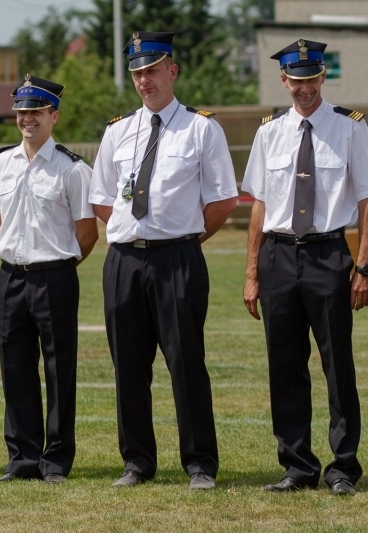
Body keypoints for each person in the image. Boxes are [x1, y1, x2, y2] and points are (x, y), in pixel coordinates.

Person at [88, 31, 238, 490]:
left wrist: (182, 236)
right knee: (128, 366)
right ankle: (136, 462)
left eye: (152, 70)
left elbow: (223, 201)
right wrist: (135, 232)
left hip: (177, 259)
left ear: (172, 71)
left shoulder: (201, 128)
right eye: (137, 72)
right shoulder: (117, 131)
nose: (144, 80)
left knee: (186, 363)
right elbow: (102, 199)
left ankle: (200, 464)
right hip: (124, 261)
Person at [241, 39, 368, 496]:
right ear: (283, 80)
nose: (304, 88)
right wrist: (252, 272)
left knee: (336, 365)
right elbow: (260, 206)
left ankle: (343, 467)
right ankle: (297, 466)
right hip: (278, 256)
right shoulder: (269, 132)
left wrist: (364, 267)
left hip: (328, 255)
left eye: (311, 79)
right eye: (295, 80)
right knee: (284, 365)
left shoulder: (350, 127)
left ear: (323, 77)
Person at [0, 74, 98, 484]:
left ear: (54, 116)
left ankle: (56, 460)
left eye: (37, 112)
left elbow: (87, 233)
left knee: (59, 370)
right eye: (22, 112)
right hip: (12, 277)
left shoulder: (73, 169)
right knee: (15, 367)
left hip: (55, 277)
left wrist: (57, 265)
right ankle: (22, 459)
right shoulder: (2, 163)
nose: (27, 119)